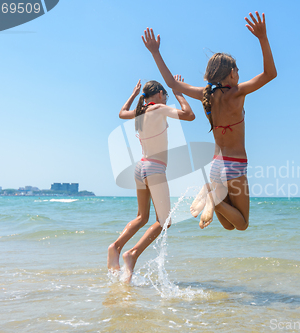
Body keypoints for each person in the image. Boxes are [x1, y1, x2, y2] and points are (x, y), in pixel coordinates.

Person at [142, 11, 276, 231]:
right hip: (235, 166)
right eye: (238, 71)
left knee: (229, 226)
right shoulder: (237, 93)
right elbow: (270, 73)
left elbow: (171, 84)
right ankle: (212, 198)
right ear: (232, 73)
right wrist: (262, 38)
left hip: (216, 167)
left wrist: (155, 52)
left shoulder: (207, 95)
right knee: (241, 224)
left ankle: (210, 192)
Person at [107, 76, 194, 281]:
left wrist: (133, 95)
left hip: (140, 168)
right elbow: (189, 115)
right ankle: (132, 254)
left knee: (142, 217)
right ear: (159, 94)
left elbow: (121, 113)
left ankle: (115, 247)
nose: (166, 98)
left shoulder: (140, 112)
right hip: (155, 169)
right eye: (165, 94)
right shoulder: (158, 109)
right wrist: (178, 91)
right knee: (165, 221)